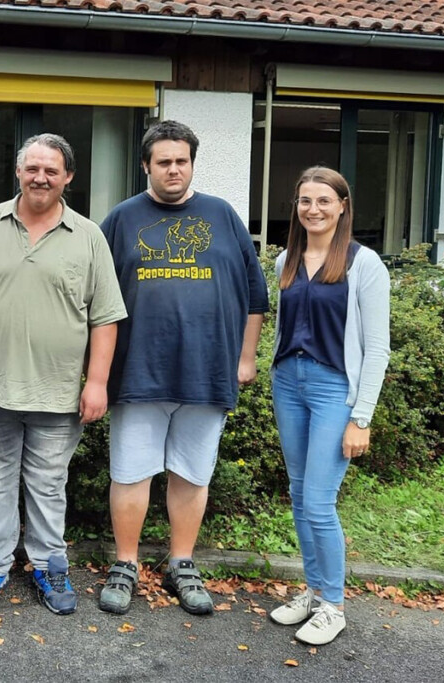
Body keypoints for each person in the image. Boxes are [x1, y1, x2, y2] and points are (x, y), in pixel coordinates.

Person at [98, 120, 269, 617]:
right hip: (136, 370)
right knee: (130, 473)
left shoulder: (223, 215)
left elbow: (255, 295)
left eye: (181, 161)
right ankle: (126, 563)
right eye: (163, 161)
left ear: (192, 163)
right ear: (147, 165)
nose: (173, 169)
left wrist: (245, 356)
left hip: (207, 369)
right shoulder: (123, 219)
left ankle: (182, 562)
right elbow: (97, 298)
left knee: (192, 475)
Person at [0, 134, 127, 615]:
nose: (40, 177)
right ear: (18, 172)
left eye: (51, 171)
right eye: (32, 168)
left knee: (49, 484)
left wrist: (96, 382)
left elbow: (106, 317)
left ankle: (47, 564)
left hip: (58, 393)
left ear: (68, 177)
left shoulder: (89, 236)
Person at [268, 167, 390, 645]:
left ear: (342, 206)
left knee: (319, 501)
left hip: (333, 389)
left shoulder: (364, 264)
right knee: (300, 496)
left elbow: (377, 347)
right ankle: (314, 591)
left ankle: (334, 605)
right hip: (289, 383)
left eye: (323, 200)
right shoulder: (286, 261)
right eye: (304, 201)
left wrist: (361, 417)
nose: (313, 209)